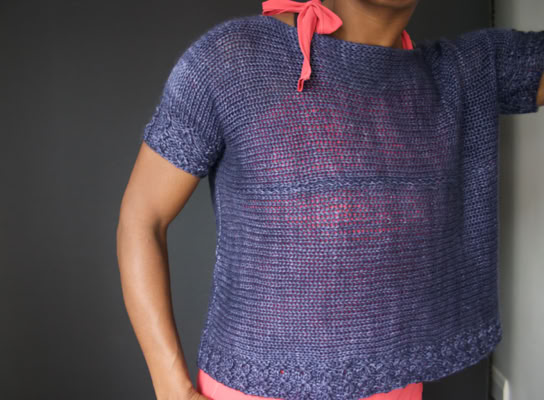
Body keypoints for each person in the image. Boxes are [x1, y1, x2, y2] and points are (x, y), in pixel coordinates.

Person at [116, 0, 544, 399]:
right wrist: (171, 387)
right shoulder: (232, 60)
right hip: (256, 387)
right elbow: (143, 217)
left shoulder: (464, 73)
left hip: (394, 388)